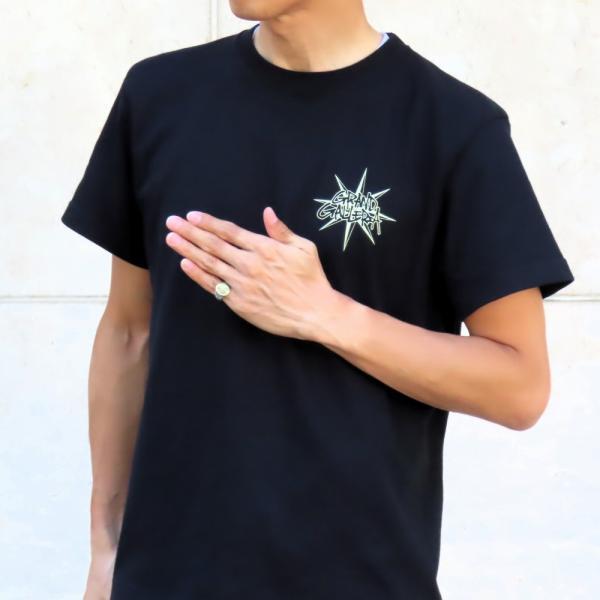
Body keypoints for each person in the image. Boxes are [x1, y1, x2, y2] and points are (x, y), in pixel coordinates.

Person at [60, 1, 575, 598]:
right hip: (167, 580)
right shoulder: (158, 96)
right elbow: (130, 333)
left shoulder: (453, 126)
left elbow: (520, 387)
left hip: (362, 580)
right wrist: (106, 548)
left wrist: (328, 315)